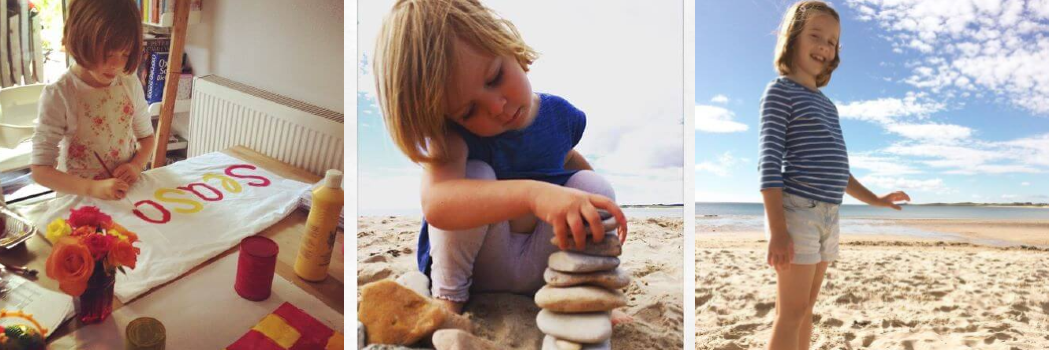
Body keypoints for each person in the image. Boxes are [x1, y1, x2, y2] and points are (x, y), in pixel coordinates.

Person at [373, 0, 630, 322]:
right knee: (474, 175)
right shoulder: (452, 137)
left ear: (510, 47)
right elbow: (437, 203)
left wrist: (598, 208)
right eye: (468, 111)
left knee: (593, 186)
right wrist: (534, 194)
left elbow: (568, 159)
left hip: (546, 264)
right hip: (477, 269)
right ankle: (448, 299)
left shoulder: (560, 115)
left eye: (495, 77)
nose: (497, 107)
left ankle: (586, 291)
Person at [758, 2, 912, 349]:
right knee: (791, 313)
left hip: (829, 215)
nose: (824, 47)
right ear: (793, 38)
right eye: (816, 36)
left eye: (832, 41)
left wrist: (875, 199)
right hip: (797, 213)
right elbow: (768, 165)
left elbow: (839, 169)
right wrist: (778, 231)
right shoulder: (780, 92)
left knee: (805, 309)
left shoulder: (828, 105)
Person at [31, 0, 155, 201]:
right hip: (78, 198)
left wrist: (136, 165)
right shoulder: (60, 94)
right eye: (107, 53)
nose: (116, 65)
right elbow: (40, 169)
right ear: (81, 40)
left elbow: (147, 139)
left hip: (124, 195)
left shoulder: (129, 84)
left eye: (125, 53)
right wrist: (92, 188)